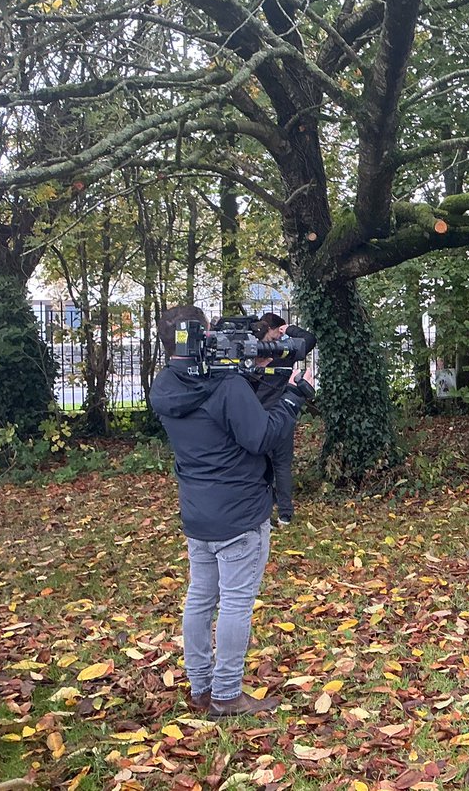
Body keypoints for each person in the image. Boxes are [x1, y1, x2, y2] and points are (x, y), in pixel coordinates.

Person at [150, 305, 313, 718]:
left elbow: (219, 411)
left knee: (200, 598)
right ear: (198, 335)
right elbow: (261, 437)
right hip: (240, 514)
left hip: (197, 514)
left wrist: (247, 370)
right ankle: (226, 694)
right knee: (236, 604)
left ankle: (200, 686)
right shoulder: (225, 387)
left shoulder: (167, 385)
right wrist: (294, 397)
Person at [248, 313, 317, 527]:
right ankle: (284, 514)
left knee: (264, 466)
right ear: (276, 329)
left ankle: (267, 512)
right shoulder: (285, 353)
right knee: (282, 465)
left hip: (259, 417)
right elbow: (309, 339)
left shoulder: (251, 352)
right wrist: (289, 330)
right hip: (283, 414)